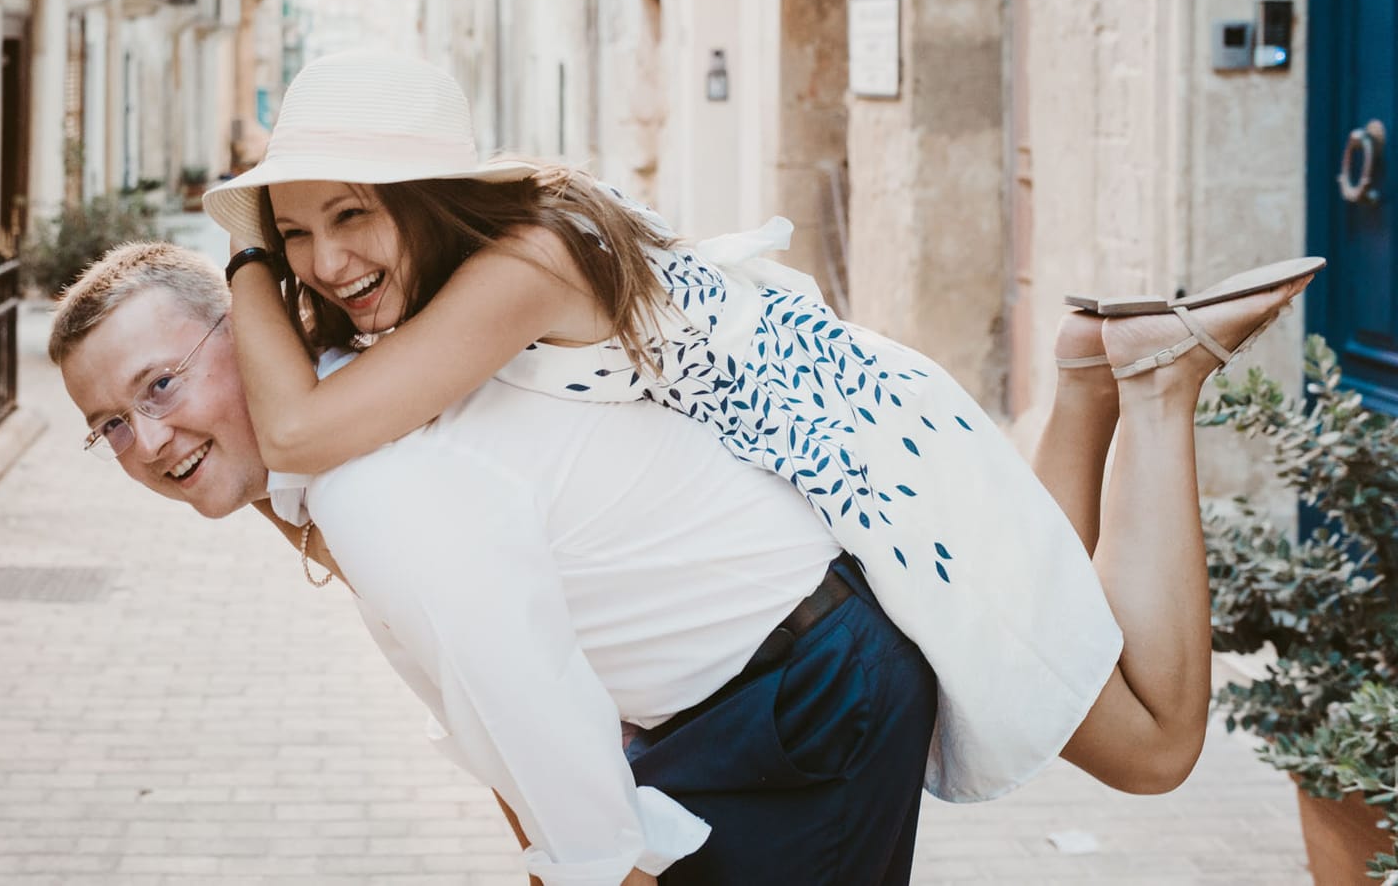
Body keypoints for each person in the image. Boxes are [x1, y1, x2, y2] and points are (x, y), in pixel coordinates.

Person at [200, 50, 1322, 804]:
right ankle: (1084, 373)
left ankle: (1156, 383)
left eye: (350, 213)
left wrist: (243, 246)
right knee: (1048, 617)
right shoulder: (492, 264)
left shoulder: (518, 265)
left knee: (1157, 748)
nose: (323, 262)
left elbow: (298, 434)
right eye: (297, 229)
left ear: (433, 193)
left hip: (878, 467)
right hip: (872, 446)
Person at [51, 242, 941, 885]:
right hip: (725, 706)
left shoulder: (369, 481)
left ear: (245, 332)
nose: (150, 440)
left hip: (807, 693)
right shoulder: (326, 460)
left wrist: (593, 865)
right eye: (112, 425)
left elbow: (534, 710)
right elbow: (490, 718)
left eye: (160, 384)